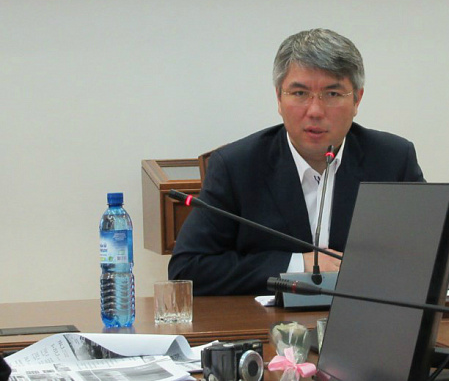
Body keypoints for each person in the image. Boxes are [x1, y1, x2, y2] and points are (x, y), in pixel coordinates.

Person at [168, 28, 425, 295]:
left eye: (332, 94)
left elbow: (429, 256)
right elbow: (187, 269)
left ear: (357, 99)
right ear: (279, 98)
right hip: (268, 319)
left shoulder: (392, 160)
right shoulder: (237, 166)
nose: (315, 111)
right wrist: (299, 264)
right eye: (300, 93)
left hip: (365, 316)